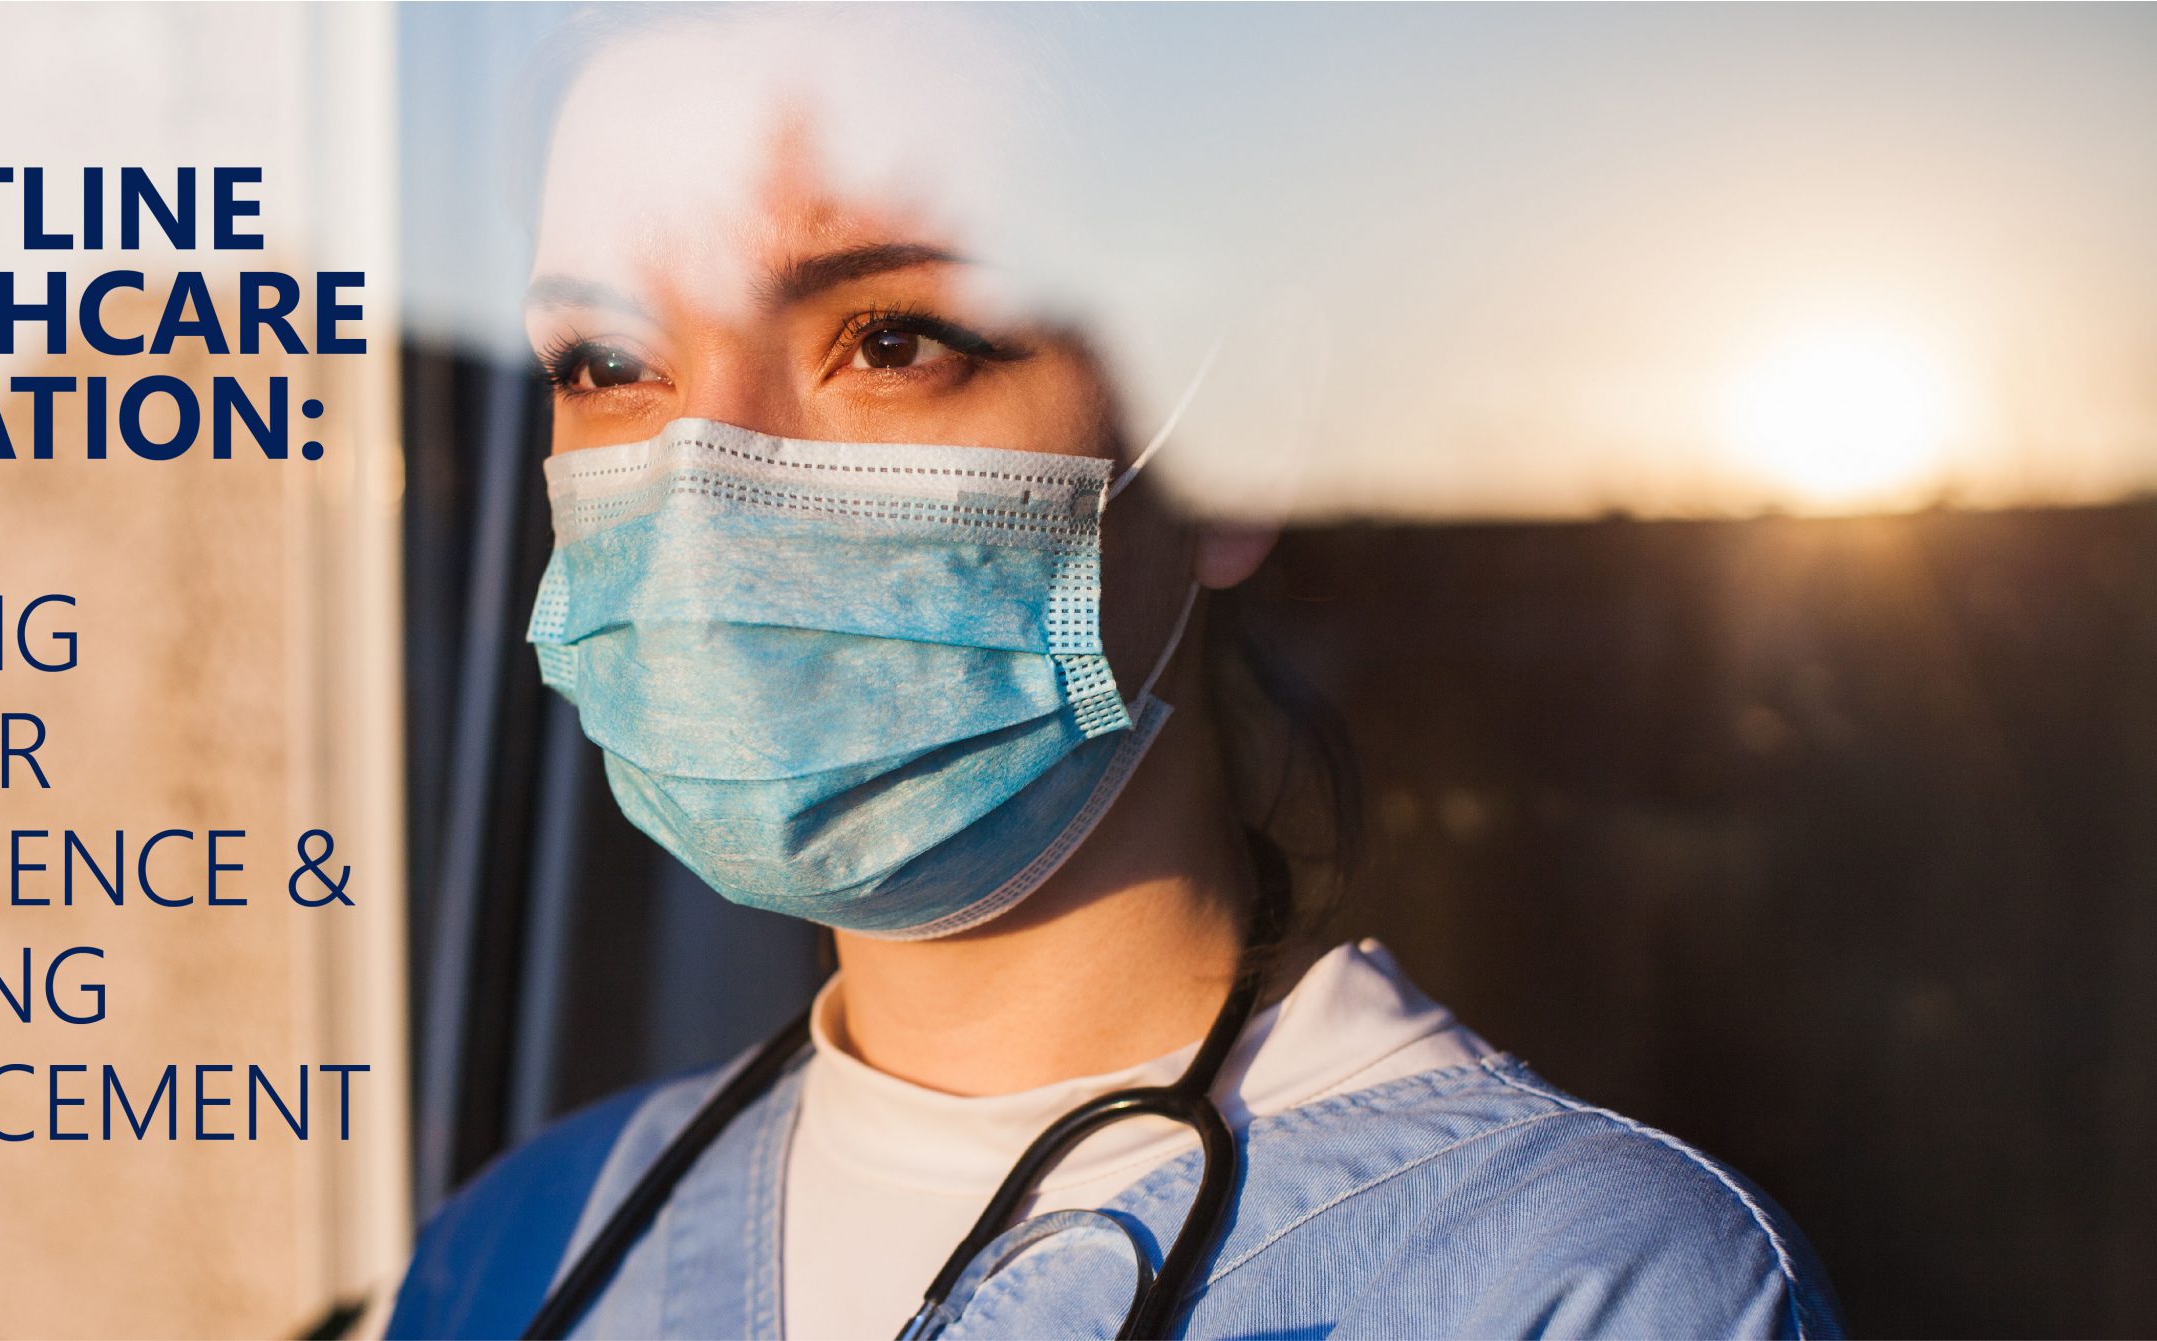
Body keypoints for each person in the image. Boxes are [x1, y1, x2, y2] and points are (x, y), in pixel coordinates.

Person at [390, 8, 1842, 1338]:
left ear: (1238, 433)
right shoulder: (513, 1254)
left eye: (893, 338)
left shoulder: (1578, 1287)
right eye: (605, 360)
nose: (705, 489)